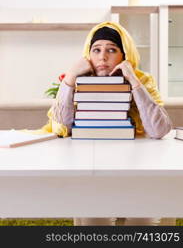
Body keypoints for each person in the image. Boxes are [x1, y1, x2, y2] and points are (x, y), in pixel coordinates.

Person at [41, 21, 175, 226]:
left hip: (139, 168)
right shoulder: (79, 82)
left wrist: (133, 80)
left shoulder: (143, 80)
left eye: (111, 50)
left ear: (124, 56)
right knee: (93, 223)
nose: (102, 57)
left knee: (144, 224)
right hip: (91, 168)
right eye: (96, 50)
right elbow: (61, 125)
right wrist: (69, 78)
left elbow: (159, 130)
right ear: (88, 55)